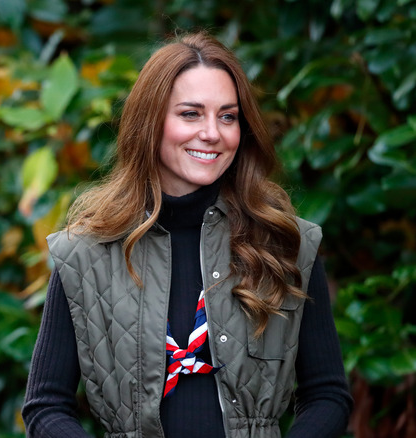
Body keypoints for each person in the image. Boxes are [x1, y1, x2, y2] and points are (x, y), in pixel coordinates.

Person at [22, 32, 353, 438]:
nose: (213, 132)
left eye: (228, 116)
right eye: (191, 114)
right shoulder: (86, 252)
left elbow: (327, 394)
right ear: (151, 121)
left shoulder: (286, 243)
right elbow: (46, 407)